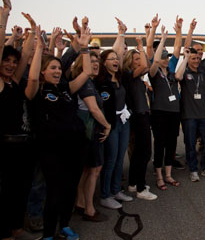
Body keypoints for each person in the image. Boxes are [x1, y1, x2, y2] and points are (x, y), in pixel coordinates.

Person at [27, 23, 92, 240]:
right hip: (51, 150)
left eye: (58, 68)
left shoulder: (66, 89)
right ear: (44, 70)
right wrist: (39, 48)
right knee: (54, 192)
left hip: (75, 147)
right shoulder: (37, 90)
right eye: (52, 68)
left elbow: (87, 72)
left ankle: (64, 225)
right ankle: (47, 234)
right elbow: (33, 78)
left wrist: (84, 49)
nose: (56, 71)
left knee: (70, 190)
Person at [1, 0, 40, 240]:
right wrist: (5, 15)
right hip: (4, 145)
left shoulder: (14, 82)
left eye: (13, 62)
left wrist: (34, 33)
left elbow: (26, 57)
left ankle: (16, 229)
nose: (11, 65)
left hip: (23, 145)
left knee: (20, 191)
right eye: (6, 61)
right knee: (5, 192)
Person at [96, 18, 132, 209]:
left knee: (120, 158)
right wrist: (120, 34)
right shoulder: (100, 81)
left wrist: (122, 34)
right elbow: (115, 50)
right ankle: (105, 194)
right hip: (110, 124)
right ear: (104, 63)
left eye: (117, 59)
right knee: (110, 159)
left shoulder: (120, 77)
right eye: (112, 59)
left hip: (123, 121)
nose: (116, 60)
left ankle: (117, 189)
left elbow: (118, 54)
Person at [73, 51, 111, 222]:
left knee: (88, 169)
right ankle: (89, 208)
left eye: (97, 61)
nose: (95, 64)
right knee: (94, 169)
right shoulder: (86, 83)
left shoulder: (90, 82)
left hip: (88, 131)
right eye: (91, 61)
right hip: (90, 131)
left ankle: (81, 203)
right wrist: (107, 125)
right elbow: (93, 109)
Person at [122, 37, 157, 200]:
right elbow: (146, 66)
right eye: (136, 59)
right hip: (138, 116)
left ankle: (134, 183)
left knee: (137, 152)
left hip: (142, 115)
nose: (139, 61)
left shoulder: (136, 79)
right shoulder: (130, 75)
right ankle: (141, 189)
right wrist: (141, 48)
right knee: (145, 152)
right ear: (130, 61)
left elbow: (145, 66)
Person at [149, 21, 182, 190]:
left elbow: (177, 49)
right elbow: (154, 59)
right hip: (159, 111)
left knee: (171, 143)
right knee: (160, 143)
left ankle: (168, 175)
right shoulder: (153, 72)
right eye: (163, 56)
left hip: (173, 111)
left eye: (166, 56)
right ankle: (159, 176)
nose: (166, 59)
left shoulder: (171, 70)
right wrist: (161, 38)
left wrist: (179, 32)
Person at [175, 48, 205, 182]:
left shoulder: (203, 73)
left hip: (204, 114)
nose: (197, 60)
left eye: (198, 58)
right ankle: (193, 169)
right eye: (193, 58)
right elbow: (177, 77)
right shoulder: (184, 73)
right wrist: (185, 57)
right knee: (190, 143)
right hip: (189, 115)